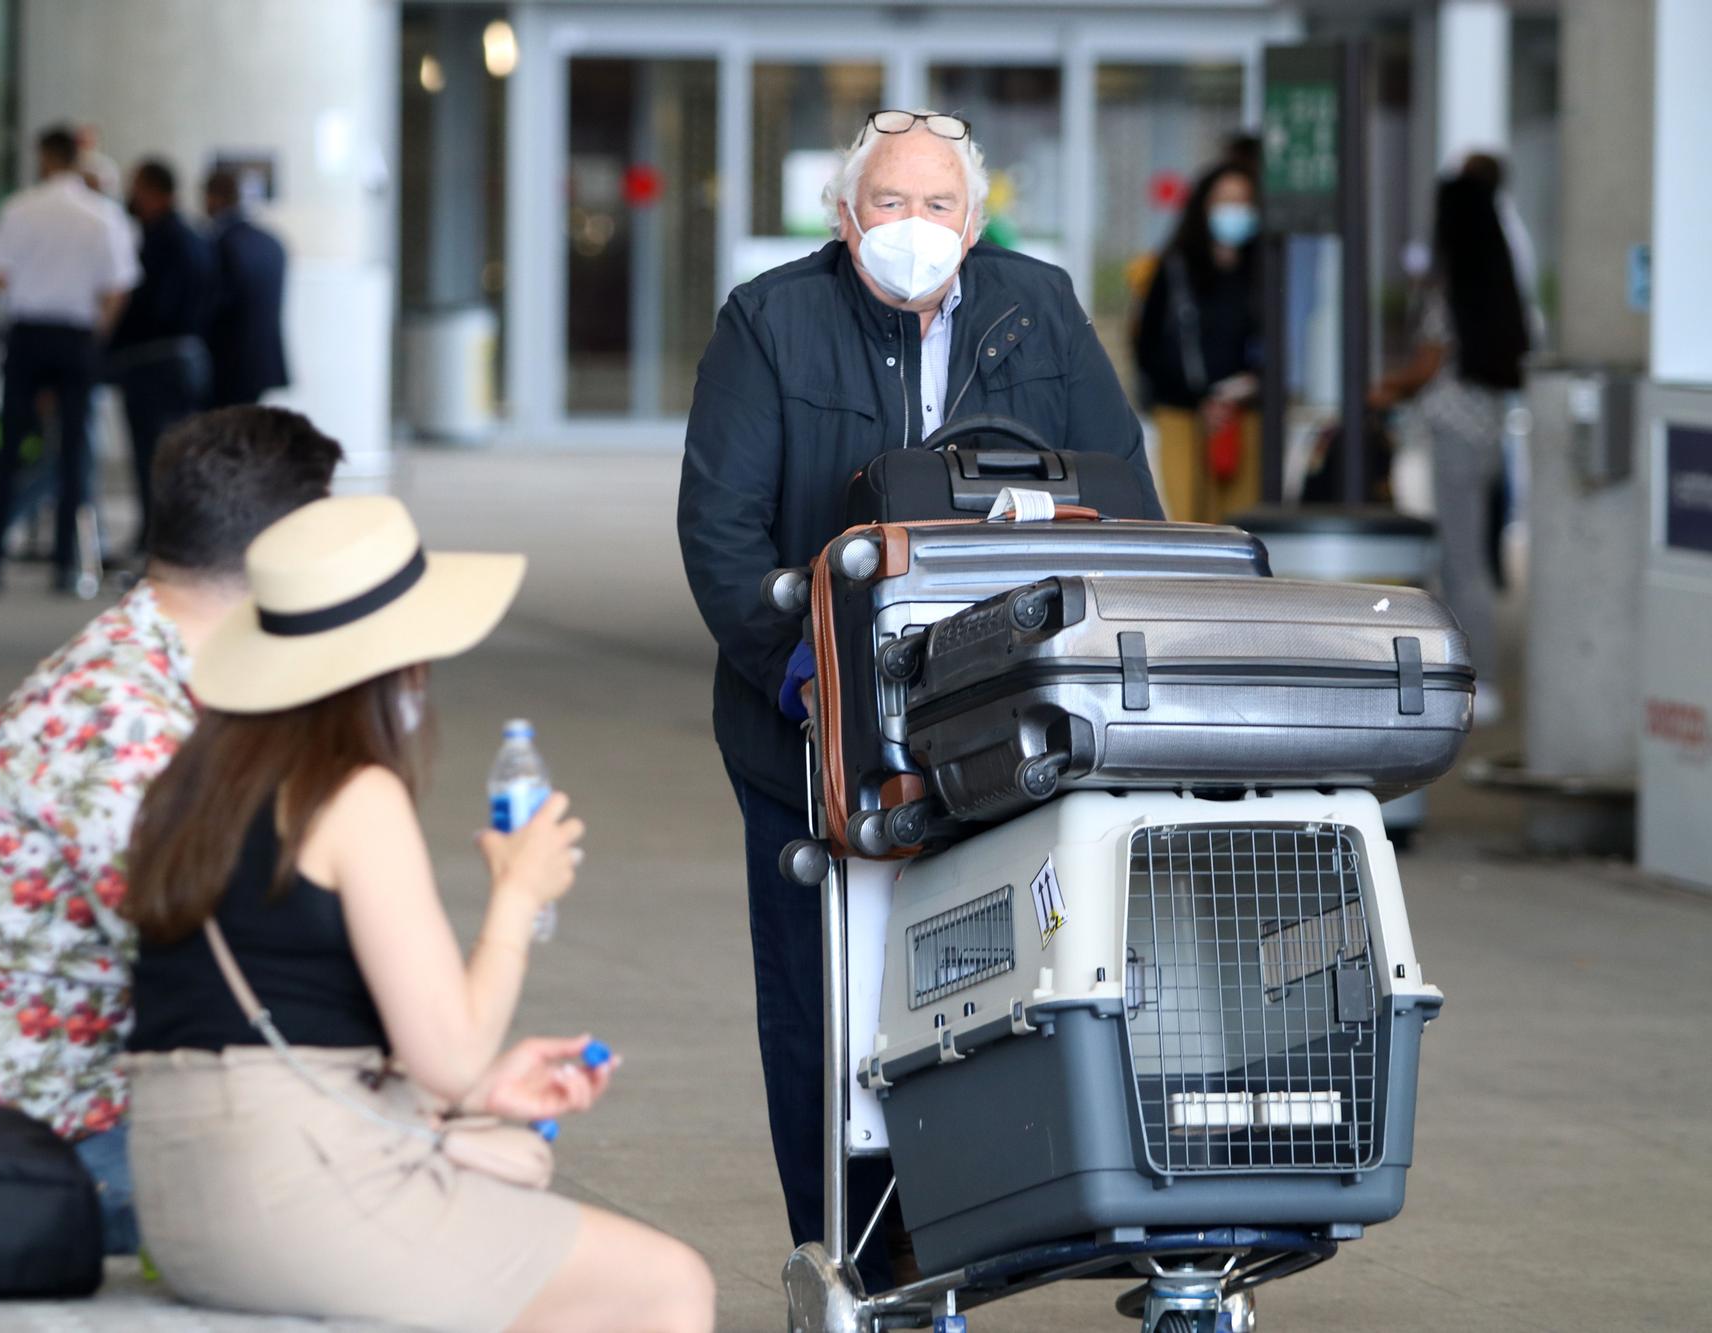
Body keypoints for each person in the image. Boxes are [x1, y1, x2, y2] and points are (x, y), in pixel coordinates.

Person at [676, 107, 1159, 1292]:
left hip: (1007, 714)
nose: (911, 226)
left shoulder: (1034, 306)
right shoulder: (771, 321)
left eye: (935, 204)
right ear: (844, 218)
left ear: (974, 219)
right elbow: (720, 527)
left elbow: (1125, 499)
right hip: (815, 726)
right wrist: (803, 673)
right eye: (886, 203)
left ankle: (1023, 1208)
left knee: (1014, 962)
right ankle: (858, 1248)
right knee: (826, 993)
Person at [119, 495, 716, 1332]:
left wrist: (482, 1089)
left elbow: (275, 1010)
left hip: (187, 1193)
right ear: (391, 664)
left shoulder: (190, 785)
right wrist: (518, 891)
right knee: (666, 1282)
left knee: (524, 1192)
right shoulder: (353, 794)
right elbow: (447, 1050)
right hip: (298, 1200)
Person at [0, 406, 344, 1255]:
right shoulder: (118, 720)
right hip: (84, 1149)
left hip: (132, 1105)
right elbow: (233, 974)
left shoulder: (165, 670)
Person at [1371, 172, 1529, 723]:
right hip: (1486, 433)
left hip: (1453, 435)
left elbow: (1429, 363)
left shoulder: (1452, 286)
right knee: (1472, 555)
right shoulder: (1498, 282)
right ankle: (1479, 675)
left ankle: (1477, 679)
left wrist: (1386, 386)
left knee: (1462, 563)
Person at [0, 125, 139, 592]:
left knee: (11, 445)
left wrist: (29, 288)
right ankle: (66, 564)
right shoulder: (102, 216)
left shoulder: (20, 209)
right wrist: (96, 330)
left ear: (45, 158)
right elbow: (118, 286)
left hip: (28, 333)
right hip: (77, 336)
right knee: (75, 450)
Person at [1132, 159, 1264, 523]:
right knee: (1187, 520)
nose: (1234, 211)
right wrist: (1200, 399)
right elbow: (1147, 345)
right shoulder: (1174, 269)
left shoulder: (1264, 270)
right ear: (1203, 206)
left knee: (1242, 523)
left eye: (1243, 202)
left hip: (1245, 417)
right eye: (1225, 201)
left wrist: (1244, 390)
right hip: (1183, 413)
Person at [110, 158, 214, 554]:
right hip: (185, 360)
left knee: (152, 457)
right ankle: (169, 536)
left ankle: (161, 538)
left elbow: (148, 306)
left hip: (153, 363)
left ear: (153, 191)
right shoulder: (193, 236)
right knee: (173, 455)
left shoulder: (158, 241)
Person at [202, 168, 290, 408]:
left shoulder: (221, 243)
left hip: (228, 362)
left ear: (213, 197)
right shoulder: (271, 241)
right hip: (263, 360)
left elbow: (214, 305)